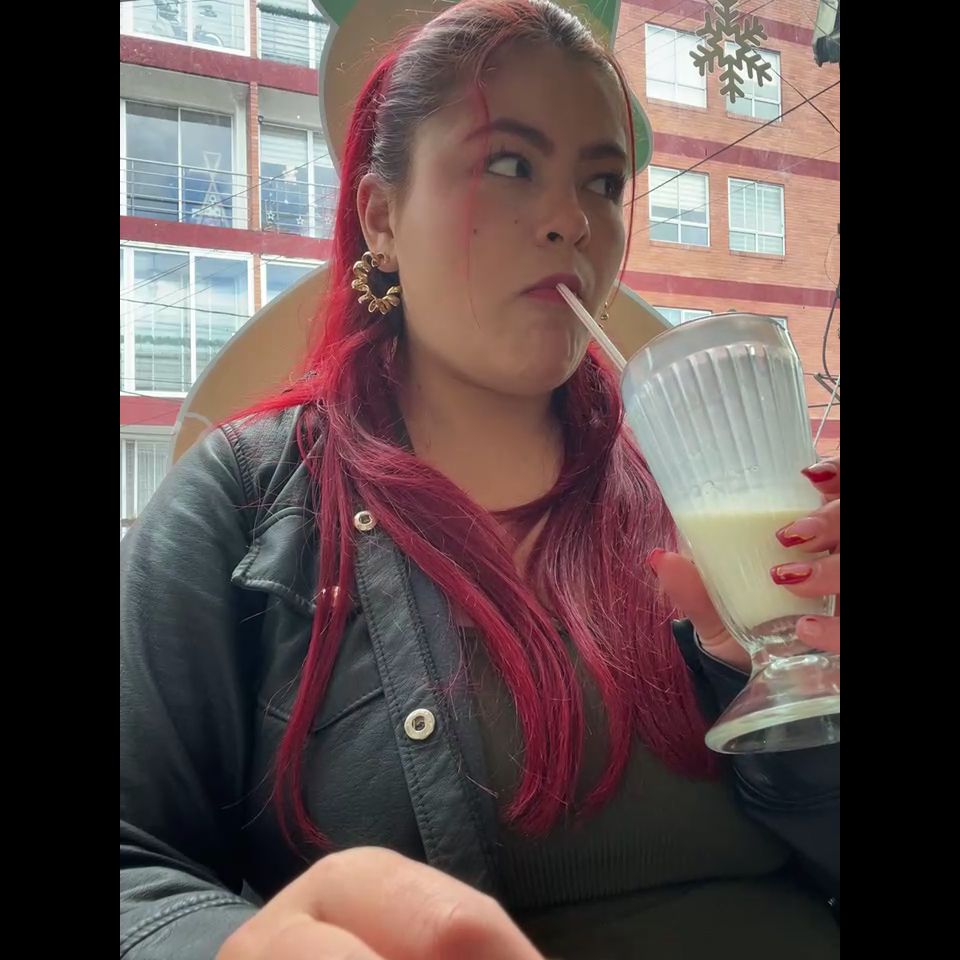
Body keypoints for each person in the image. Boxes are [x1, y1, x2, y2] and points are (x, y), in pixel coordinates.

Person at [120, 2, 840, 957]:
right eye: (509, 165)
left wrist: (806, 687)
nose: (572, 221)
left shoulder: (696, 491)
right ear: (381, 217)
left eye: (603, 181)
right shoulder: (245, 499)